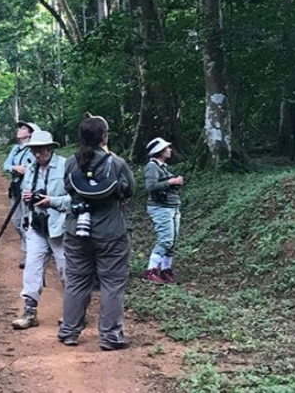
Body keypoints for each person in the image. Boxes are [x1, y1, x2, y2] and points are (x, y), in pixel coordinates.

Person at [57, 115, 135, 350]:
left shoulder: (71, 162)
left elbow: (68, 188)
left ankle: (69, 331)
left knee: (77, 281)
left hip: (76, 231)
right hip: (111, 232)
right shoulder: (117, 163)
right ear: (104, 137)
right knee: (112, 283)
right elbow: (130, 191)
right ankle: (110, 337)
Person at [11, 129, 71, 330]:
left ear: (50, 148)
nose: (37, 154)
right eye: (34, 150)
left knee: (66, 271)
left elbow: (76, 199)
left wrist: (51, 201)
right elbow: (25, 193)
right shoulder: (31, 169)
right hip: (36, 226)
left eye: (41, 150)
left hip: (59, 228)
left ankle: (74, 312)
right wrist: (29, 197)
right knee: (32, 269)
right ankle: (29, 311)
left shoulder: (65, 166)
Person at [143, 136, 184, 285]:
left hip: (172, 207)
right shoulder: (152, 166)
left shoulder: (162, 167)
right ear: (159, 151)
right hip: (161, 208)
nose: (170, 150)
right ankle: (152, 270)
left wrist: (174, 182)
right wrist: (170, 182)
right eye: (167, 148)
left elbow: (163, 184)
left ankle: (166, 269)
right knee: (165, 240)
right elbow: (151, 186)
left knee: (172, 241)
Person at [2, 121, 39, 266]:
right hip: (15, 189)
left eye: (23, 128)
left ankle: (29, 254)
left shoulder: (34, 149)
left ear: (31, 133)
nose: (19, 130)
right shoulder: (16, 149)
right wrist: (15, 168)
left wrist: (26, 169)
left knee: (26, 222)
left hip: (28, 190)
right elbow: (5, 165)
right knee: (17, 222)